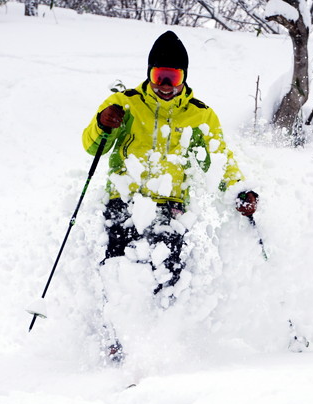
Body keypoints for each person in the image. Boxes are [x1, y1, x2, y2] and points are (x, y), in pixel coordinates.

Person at [82, 31, 259, 362]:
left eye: (172, 76)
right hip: (124, 202)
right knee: (118, 269)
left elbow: (218, 162)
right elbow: (94, 147)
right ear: (149, 74)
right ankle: (115, 339)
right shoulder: (125, 104)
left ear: (184, 77)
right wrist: (103, 124)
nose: (165, 84)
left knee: (171, 271)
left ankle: (161, 343)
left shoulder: (200, 115)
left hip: (172, 208)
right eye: (159, 75)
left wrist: (238, 190)